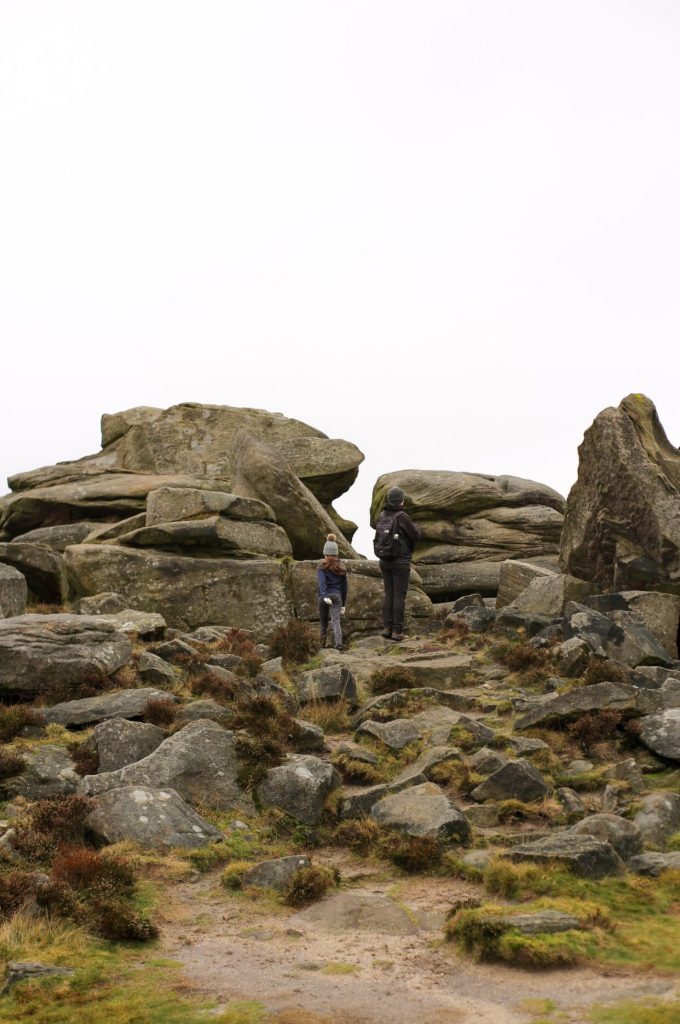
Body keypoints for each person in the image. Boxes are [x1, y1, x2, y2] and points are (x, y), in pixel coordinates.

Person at [373, 486, 421, 641]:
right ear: (401, 500)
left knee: (389, 594)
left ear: (388, 499)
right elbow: (415, 535)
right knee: (399, 595)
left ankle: (387, 628)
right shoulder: (402, 516)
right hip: (400, 561)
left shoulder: (381, 516)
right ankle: (397, 631)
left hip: (384, 560)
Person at [317, 533, 348, 651]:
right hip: (337, 596)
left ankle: (322, 645)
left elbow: (321, 582)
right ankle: (338, 644)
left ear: (325, 553)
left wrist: (324, 595)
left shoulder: (321, 566)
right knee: (336, 621)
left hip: (324, 597)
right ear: (336, 554)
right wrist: (343, 604)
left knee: (323, 621)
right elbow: (345, 587)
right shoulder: (341, 567)